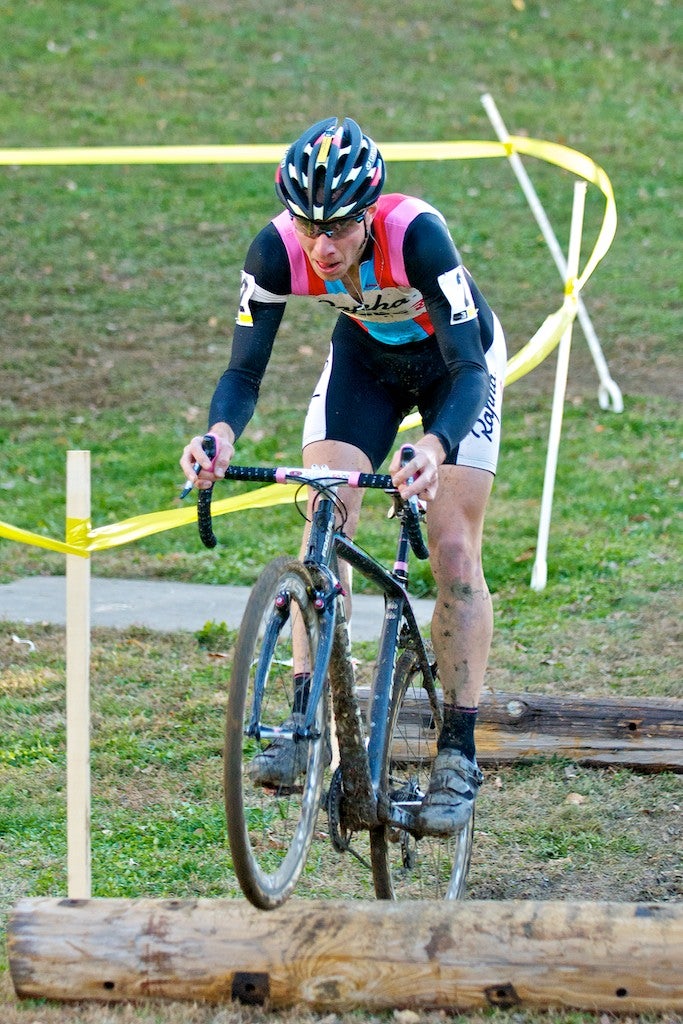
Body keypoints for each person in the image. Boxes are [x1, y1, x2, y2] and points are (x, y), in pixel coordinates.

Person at [180, 116, 506, 836]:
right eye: (308, 225)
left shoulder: (417, 234)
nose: (322, 246)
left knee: (452, 550)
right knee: (324, 516)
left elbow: (468, 370)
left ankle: (456, 750)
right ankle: (304, 725)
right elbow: (242, 370)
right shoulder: (274, 251)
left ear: (370, 214)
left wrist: (436, 445)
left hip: (457, 374)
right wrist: (219, 433)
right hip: (365, 363)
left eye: (340, 227)